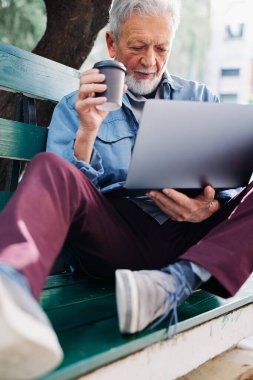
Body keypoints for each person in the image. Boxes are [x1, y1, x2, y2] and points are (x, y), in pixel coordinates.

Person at [0, 0, 252, 378]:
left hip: (190, 241)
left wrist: (209, 208)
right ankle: (9, 291)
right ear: (112, 44)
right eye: (137, 47)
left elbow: (226, 186)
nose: (150, 60)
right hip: (115, 237)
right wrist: (87, 132)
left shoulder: (200, 98)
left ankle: (170, 284)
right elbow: (65, 199)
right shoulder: (76, 106)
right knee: (49, 166)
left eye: (161, 48)